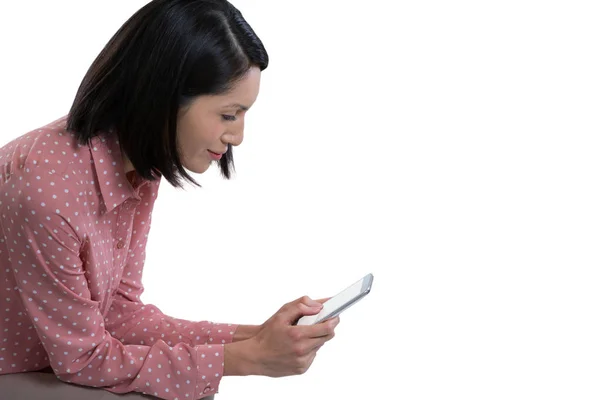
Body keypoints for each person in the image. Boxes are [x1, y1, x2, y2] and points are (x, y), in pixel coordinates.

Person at [0, 0, 340, 399]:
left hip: (46, 361)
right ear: (164, 97)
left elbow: (119, 314)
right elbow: (83, 359)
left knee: (189, 386)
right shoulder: (47, 189)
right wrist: (250, 360)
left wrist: (256, 337)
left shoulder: (136, 164)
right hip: (17, 366)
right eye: (229, 114)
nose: (238, 136)